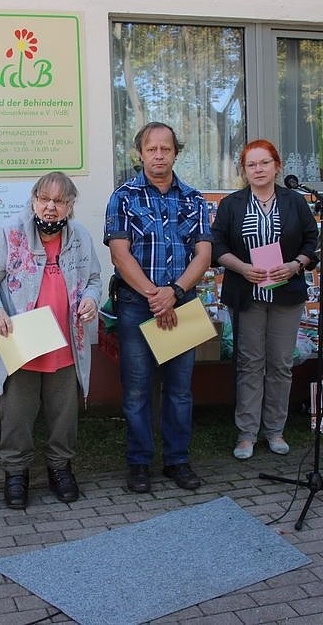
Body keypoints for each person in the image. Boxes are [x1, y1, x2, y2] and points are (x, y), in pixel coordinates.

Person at [0, 172, 102, 509]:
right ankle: (16, 473)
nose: (50, 207)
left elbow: (94, 278)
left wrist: (91, 299)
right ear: (33, 201)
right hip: (22, 341)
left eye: (59, 201)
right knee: (16, 415)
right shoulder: (10, 232)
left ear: (70, 205)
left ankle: (60, 468)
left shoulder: (80, 236)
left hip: (66, 344)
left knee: (63, 417)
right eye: (44, 199)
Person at [104, 122, 212, 493]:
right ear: (140, 153)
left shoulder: (194, 199)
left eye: (166, 149)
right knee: (137, 391)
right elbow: (120, 255)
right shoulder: (123, 197)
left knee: (179, 390)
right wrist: (156, 295)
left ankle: (177, 461)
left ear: (176, 153)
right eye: (152, 149)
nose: (159, 155)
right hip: (137, 304)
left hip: (182, 303)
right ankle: (139, 463)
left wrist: (175, 292)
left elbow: (204, 254)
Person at [211, 139, 318, 460]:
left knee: (281, 364)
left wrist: (295, 264)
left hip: (286, 294)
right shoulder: (231, 204)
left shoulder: (294, 201)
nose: (258, 169)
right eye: (251, 165)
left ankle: (275, 431)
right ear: (244, 170)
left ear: (277, 166)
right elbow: (216, 246)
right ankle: (247, 433)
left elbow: (312, 240)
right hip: (247, 295)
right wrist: (242, 268)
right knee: (249, 364)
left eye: (264, 163)